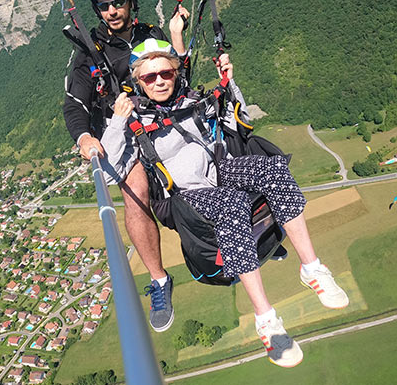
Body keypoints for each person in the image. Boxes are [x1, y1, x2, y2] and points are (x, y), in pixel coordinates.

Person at [99, 40, 349, 368]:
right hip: (186, 194)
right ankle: (266, 319)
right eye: (150, 77)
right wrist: (117, 122)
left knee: (273, 169)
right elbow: (109, 173)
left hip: (221, 169)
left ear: (175, 73)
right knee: (231, 202)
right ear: (139, 82)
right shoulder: (132, 119)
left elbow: (238, 122)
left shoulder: (192, 101)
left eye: (165, 73)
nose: (159, 81)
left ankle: (312, 268)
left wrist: (230, 84)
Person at [63, 0, 188, 332]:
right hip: (120, 129)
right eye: (104, 6)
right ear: (97, 11)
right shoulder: (88, 51)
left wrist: (176, 38)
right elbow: (75, 103)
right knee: (135, 192)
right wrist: (84, 138)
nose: (112, 11)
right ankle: (160, 280)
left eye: (118, 2)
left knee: (199, 166)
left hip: (159, 119)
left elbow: (179, 78)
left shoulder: (152, 36)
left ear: (131, 1)